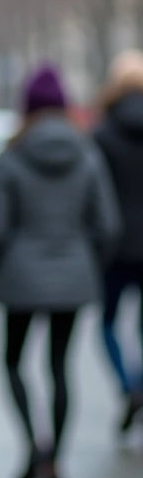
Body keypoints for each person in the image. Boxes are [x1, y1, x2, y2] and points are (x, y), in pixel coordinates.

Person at [0, 65, 120, 478]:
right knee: (60, 368)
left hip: (20, 277)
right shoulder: (87, 154)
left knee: (12, 362)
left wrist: (1, 267)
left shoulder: (12, 156)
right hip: (74, 274)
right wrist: (87, 264)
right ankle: (55, 460)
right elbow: (107, 225)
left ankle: (32, 446)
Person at [93, 49, 143, 434]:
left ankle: (128, 385)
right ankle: (139, 384)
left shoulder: (102, 132)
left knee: (107, 322)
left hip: (113, 246)